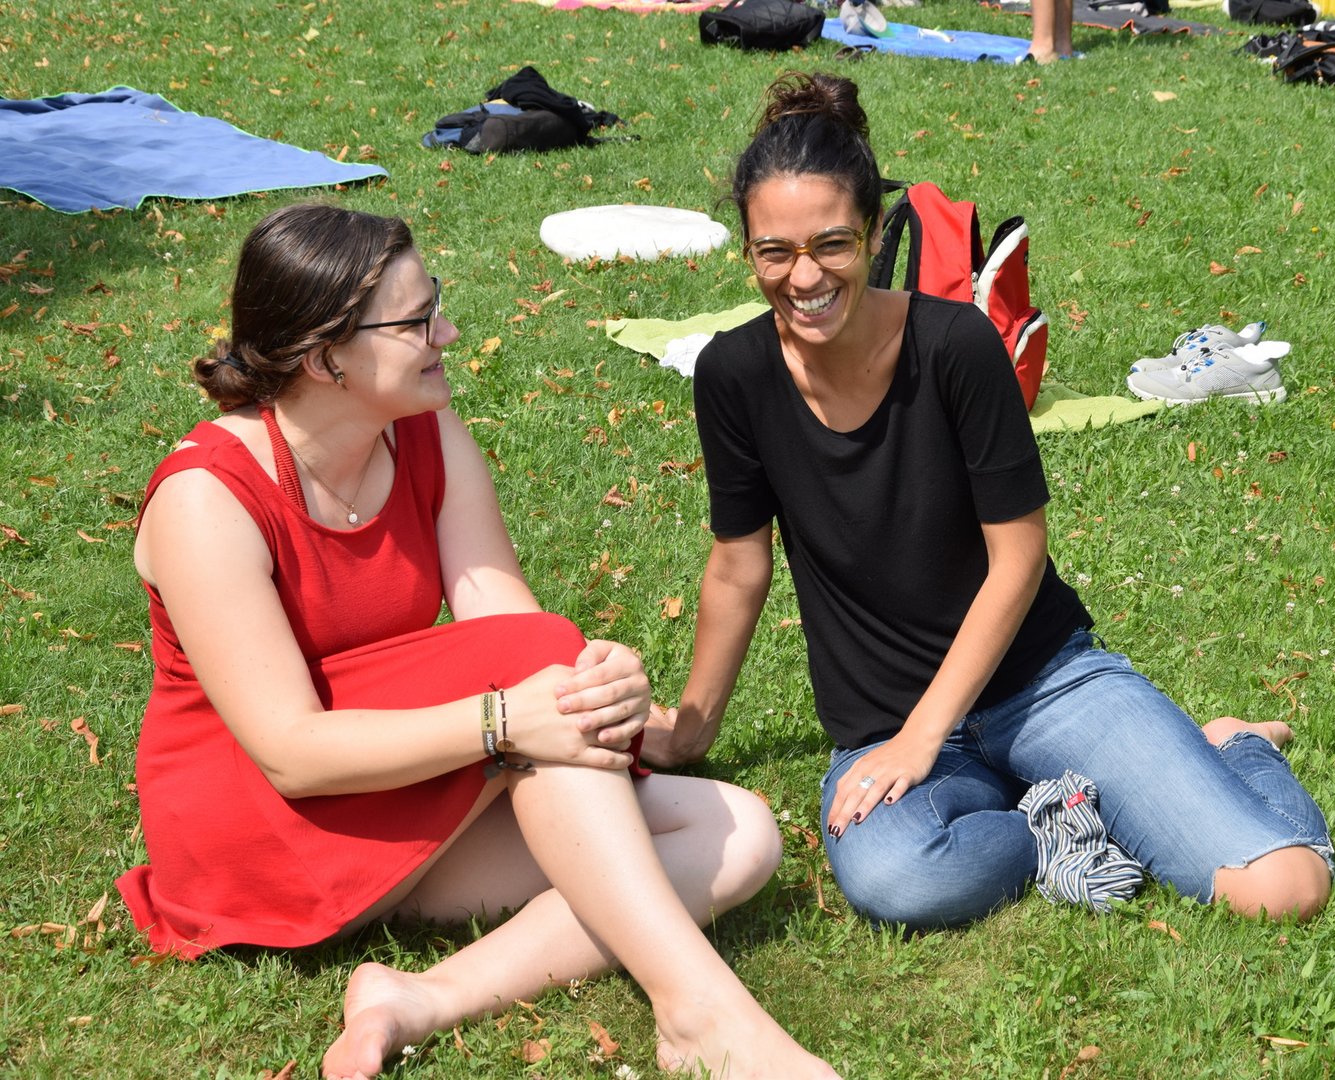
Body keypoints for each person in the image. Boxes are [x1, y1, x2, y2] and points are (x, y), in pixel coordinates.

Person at [116, 204, 838, 1080]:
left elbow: (506, 624)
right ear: (325, 358)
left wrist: (594, 686)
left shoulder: (423, 430)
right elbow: (289, 751)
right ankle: (700, 1014)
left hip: (384, 783)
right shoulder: (206, 498)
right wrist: (505, 719)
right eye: (417, 321)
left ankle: (418, 999)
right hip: (254, 828)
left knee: (740, 835)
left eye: (437, 304)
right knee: (540, 677)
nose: (447, 333)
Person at [643, 72, 1333, 931]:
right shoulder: (734, 374)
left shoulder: (955, 344)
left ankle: (1234, 748)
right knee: (899, 878)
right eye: (773, 252)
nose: (804, 276)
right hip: (884, 720)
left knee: (1282, 888)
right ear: (748, 251)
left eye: (832, 244)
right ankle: (1061, 813)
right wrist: (690, 731)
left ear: (874, 232)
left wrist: (926, 734)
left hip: (1041, 682)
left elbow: (1018, 556)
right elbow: (738, 565)